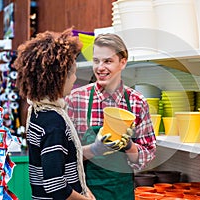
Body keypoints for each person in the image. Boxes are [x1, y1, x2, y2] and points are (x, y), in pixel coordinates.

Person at [65, 33, 157, 200]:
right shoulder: (75, 100)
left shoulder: (137, 102)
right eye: (96, 61)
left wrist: (129, 146)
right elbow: (65, 155)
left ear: (123, 62)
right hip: (86, 193)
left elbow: (147, 155)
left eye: (108, 61)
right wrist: (94, 150)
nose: (100, 67)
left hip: (122, 192)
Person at [14, 28, 95, 200]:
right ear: (58, 77)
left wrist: (84, 190)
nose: (74, 78)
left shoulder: (37, 111)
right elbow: (56, 186)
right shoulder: (54, 122)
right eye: (72, 72)